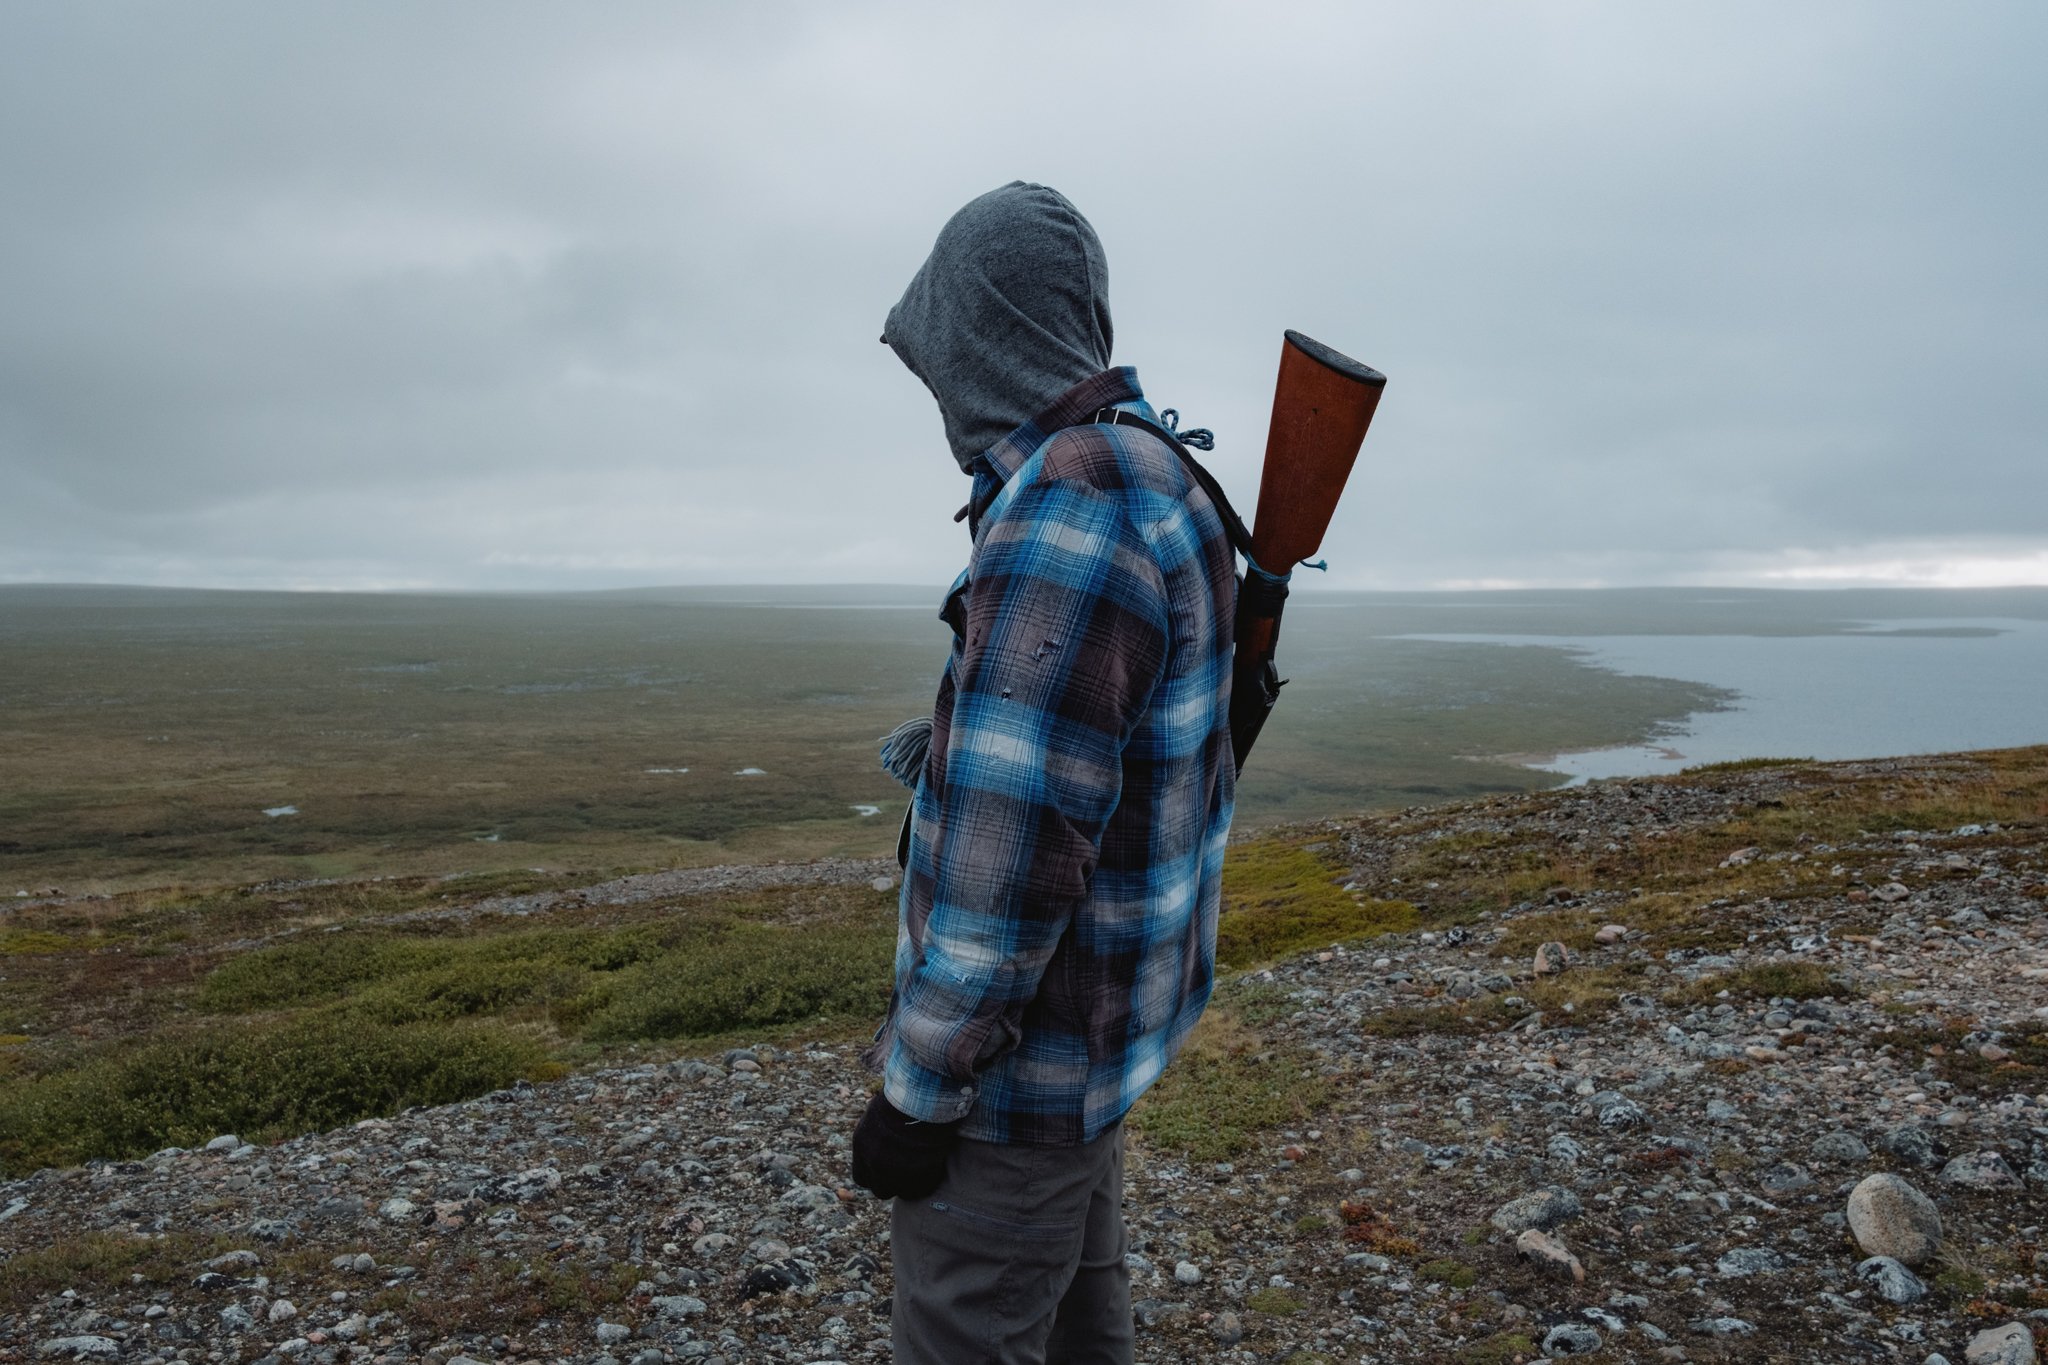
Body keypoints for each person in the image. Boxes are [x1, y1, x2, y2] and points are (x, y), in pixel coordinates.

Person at [851, 181, 1239, 1365]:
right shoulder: (1151, 468)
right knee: (1075, 1326)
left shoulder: (1069, 505)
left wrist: (919, 1091)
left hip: (1021, 1080)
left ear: (981, 340)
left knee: (965, 1333)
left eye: (937, 359)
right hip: (1094, 1052)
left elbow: (1007, 863)